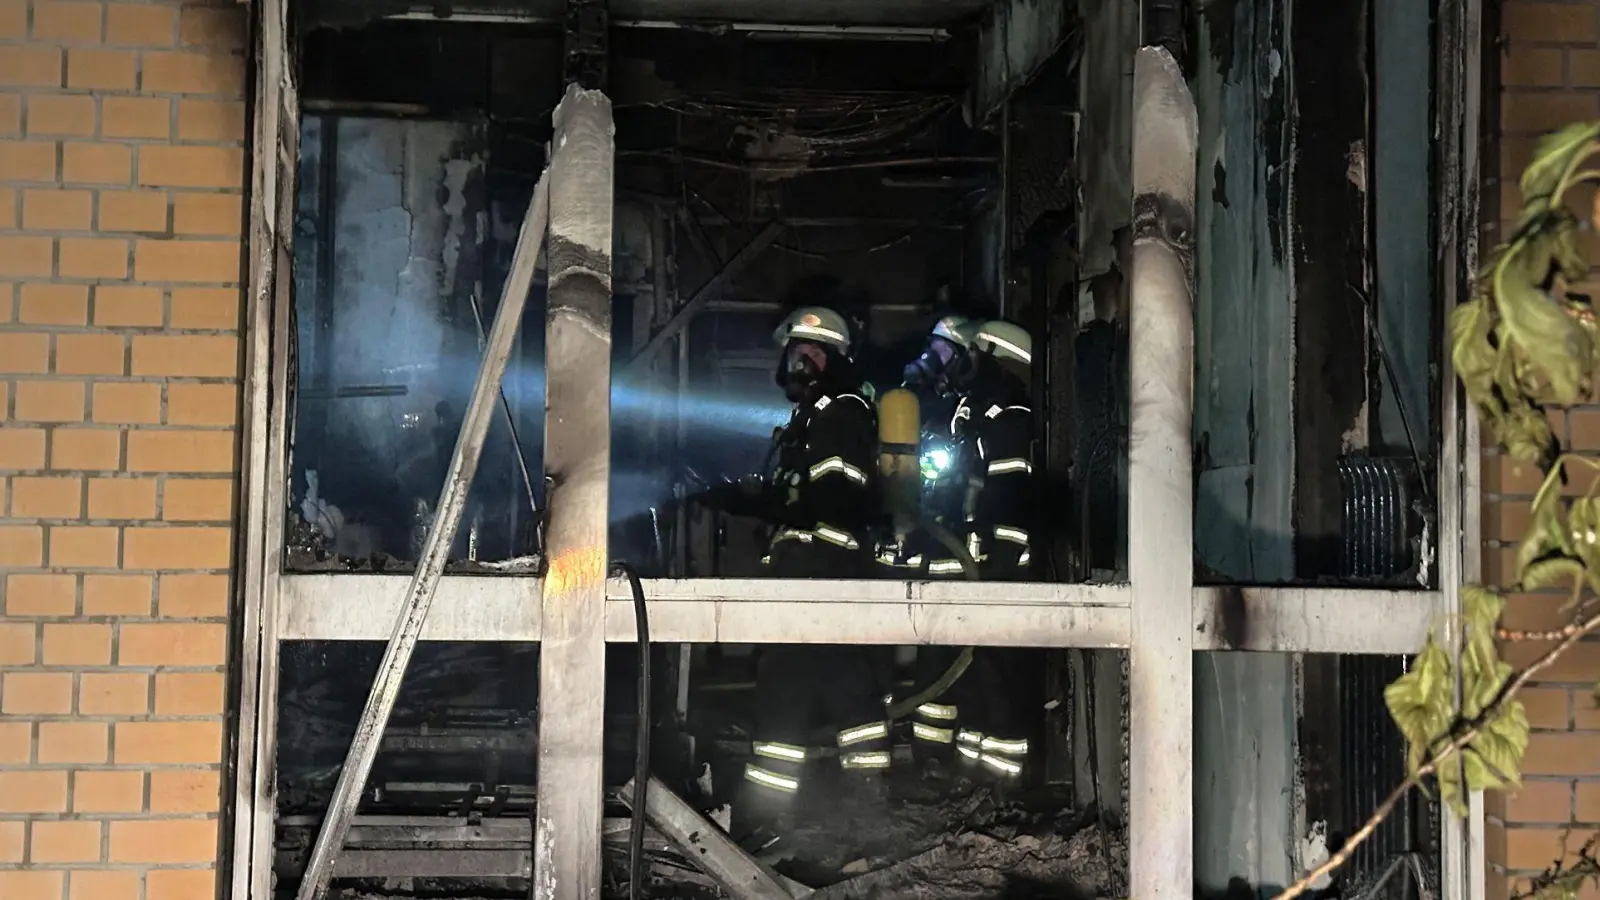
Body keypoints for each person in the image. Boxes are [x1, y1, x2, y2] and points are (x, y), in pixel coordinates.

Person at [699, 306, 891, 846]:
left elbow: (834, 494)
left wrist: (772, 506)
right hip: (807, 572)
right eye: (794, 353)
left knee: (795, 684)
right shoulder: (807, 422)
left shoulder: (842, 411)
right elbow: (792, 498)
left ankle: (784, 814)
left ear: (832, 359)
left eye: (810, 353)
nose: (798, 363)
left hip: (824, 570)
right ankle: (849, 808)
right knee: (830, 682)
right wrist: (737, 498)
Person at [897, 317, 1037, 784]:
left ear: (997, 361)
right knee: (949, 671)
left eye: (973, 353)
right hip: (957, 571)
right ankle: (943, 767)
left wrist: (999, 569)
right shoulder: (966, 415)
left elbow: (1011, 495)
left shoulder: (1009, 416)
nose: (965, 361)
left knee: (991, 676)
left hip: (988, 574)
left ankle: (1001, 782)